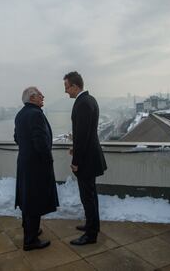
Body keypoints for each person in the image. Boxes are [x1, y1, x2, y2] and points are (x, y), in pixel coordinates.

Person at [64, 71, 107, 245]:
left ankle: (91, 235)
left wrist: (75, 161)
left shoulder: (82, 104)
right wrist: (76, 148)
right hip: (91, 155)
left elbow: (82, 136)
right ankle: (92, 225)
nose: (66, 91)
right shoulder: (90, 100)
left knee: (87, 197)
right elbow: (86, 134)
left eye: (67, 87)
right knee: (91, 195)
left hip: (86, 160)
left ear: (75, 86)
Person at [14, 86, 59, 251]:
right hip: (36, 165)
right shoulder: (36, 114)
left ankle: (31, 230)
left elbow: (16, 138)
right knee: (35, 201)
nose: (43, 96)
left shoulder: (20, 114)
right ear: (32, 98)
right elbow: (41, 143)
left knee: (27, 200)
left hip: (25, 163)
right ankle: (30, 241)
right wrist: (48, 160)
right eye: (40, 94)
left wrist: (27, 149)